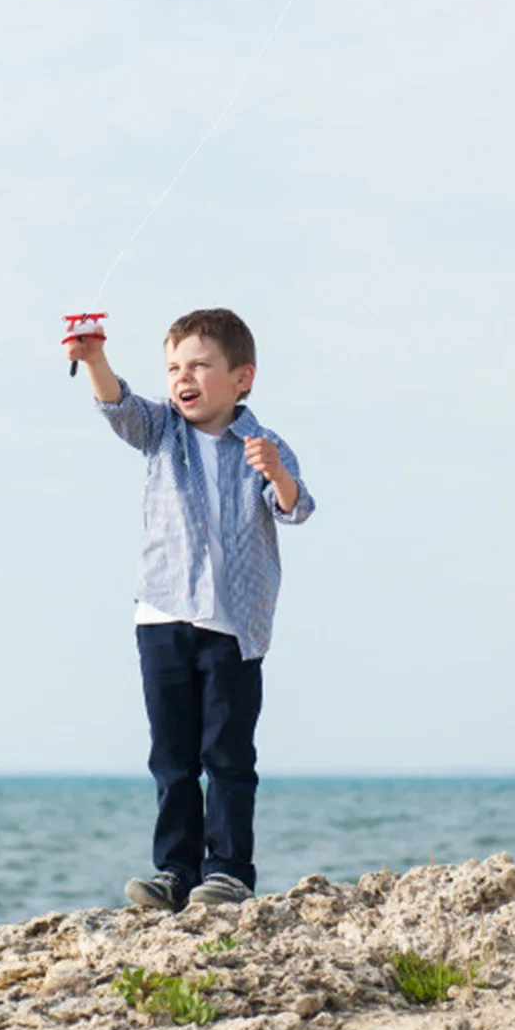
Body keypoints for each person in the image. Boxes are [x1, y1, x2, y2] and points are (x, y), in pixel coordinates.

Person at [64, 307, 314, 910]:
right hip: (162, 616)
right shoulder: (162, 431)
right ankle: (175, 870)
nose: (183, 377)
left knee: (228, 755)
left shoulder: (263, 445)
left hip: (235, 625)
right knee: (172, 756)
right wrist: (95, 358)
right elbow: (119, 407)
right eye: (174, 367)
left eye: (200, 365)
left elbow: (295, 508)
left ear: (241, 378)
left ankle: (227, 870)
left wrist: (278, 474)